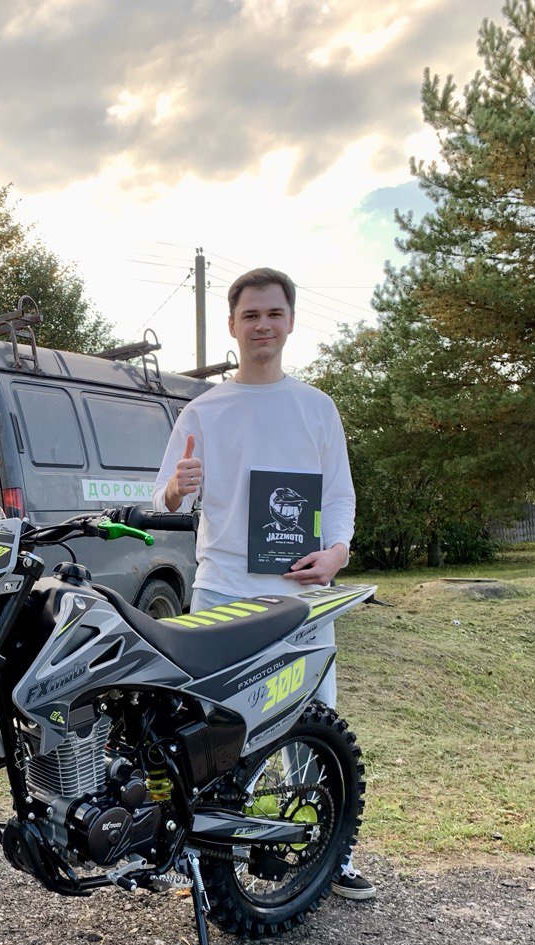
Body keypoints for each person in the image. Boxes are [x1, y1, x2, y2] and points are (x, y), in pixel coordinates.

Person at [152, 265, 375, 901]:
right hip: (222, 592)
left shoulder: (317, 408)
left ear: (291, 321)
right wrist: (177, 489)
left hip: (303, 596)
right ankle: (196, 852)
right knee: (211, 727)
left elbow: (339, 496)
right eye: (250, 315)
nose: (262, 326)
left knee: (314, 720)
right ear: (232, 325)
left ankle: (328, 851)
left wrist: (336, 554)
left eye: (274, 313)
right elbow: (161, 499)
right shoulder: (203, 409)